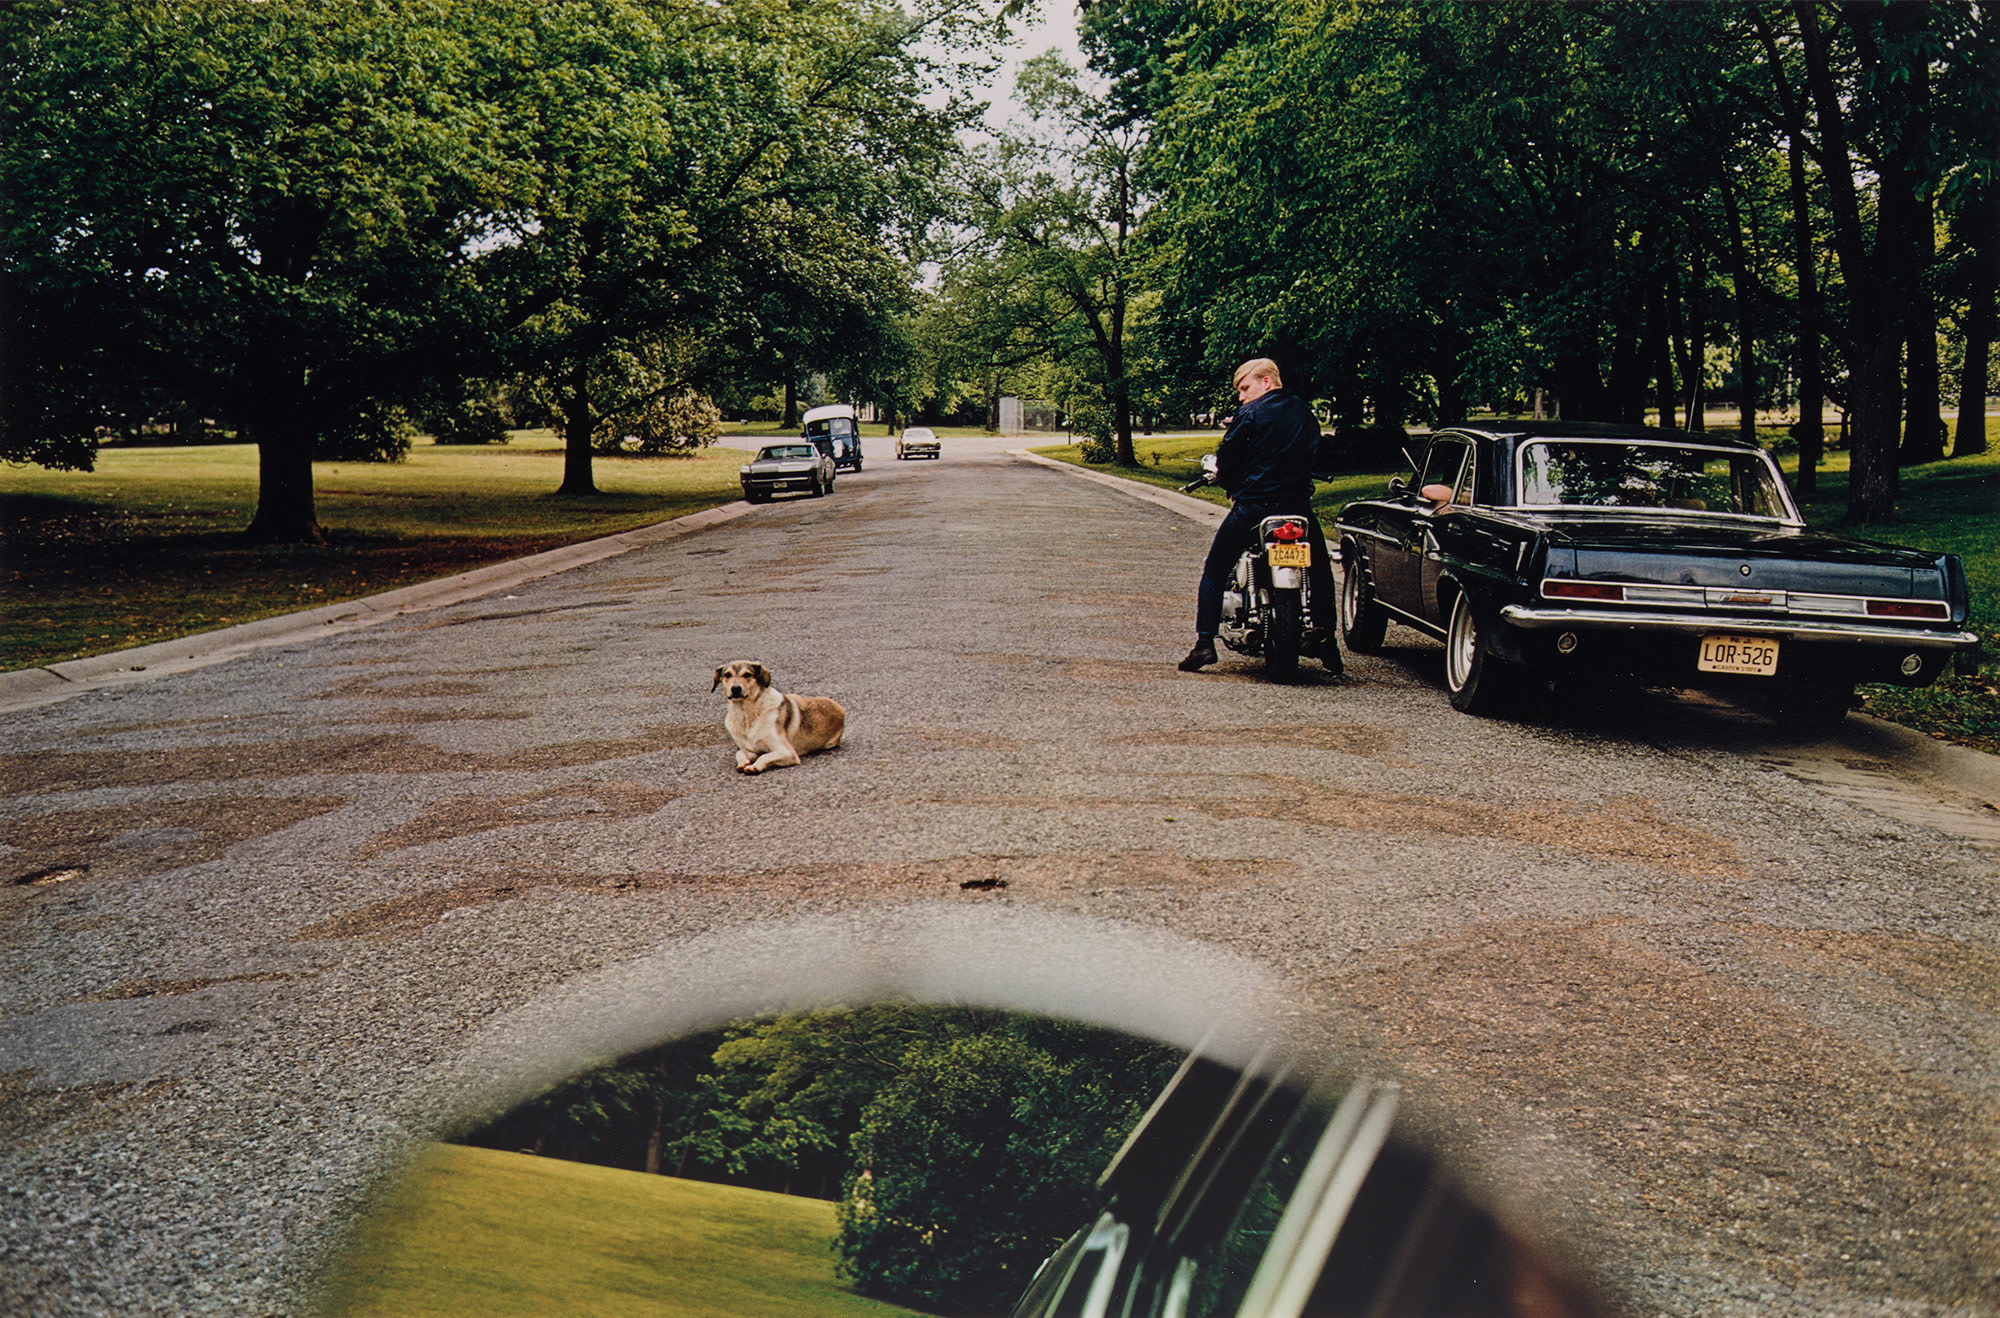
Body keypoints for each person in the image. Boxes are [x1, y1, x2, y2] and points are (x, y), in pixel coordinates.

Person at [1180, 358, 1342, 673]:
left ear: (1266, 381)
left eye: (1244, 387)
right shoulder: (1305, 413)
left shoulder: (1250, 414)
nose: (1241, 396)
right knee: (1320, 571)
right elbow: (1316, 454)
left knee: (1215, 568)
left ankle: (1203, 644)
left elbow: (1227, 460)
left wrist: (1227, 480)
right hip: (1297, 508)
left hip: (1254, 507)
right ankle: (1327, 641)